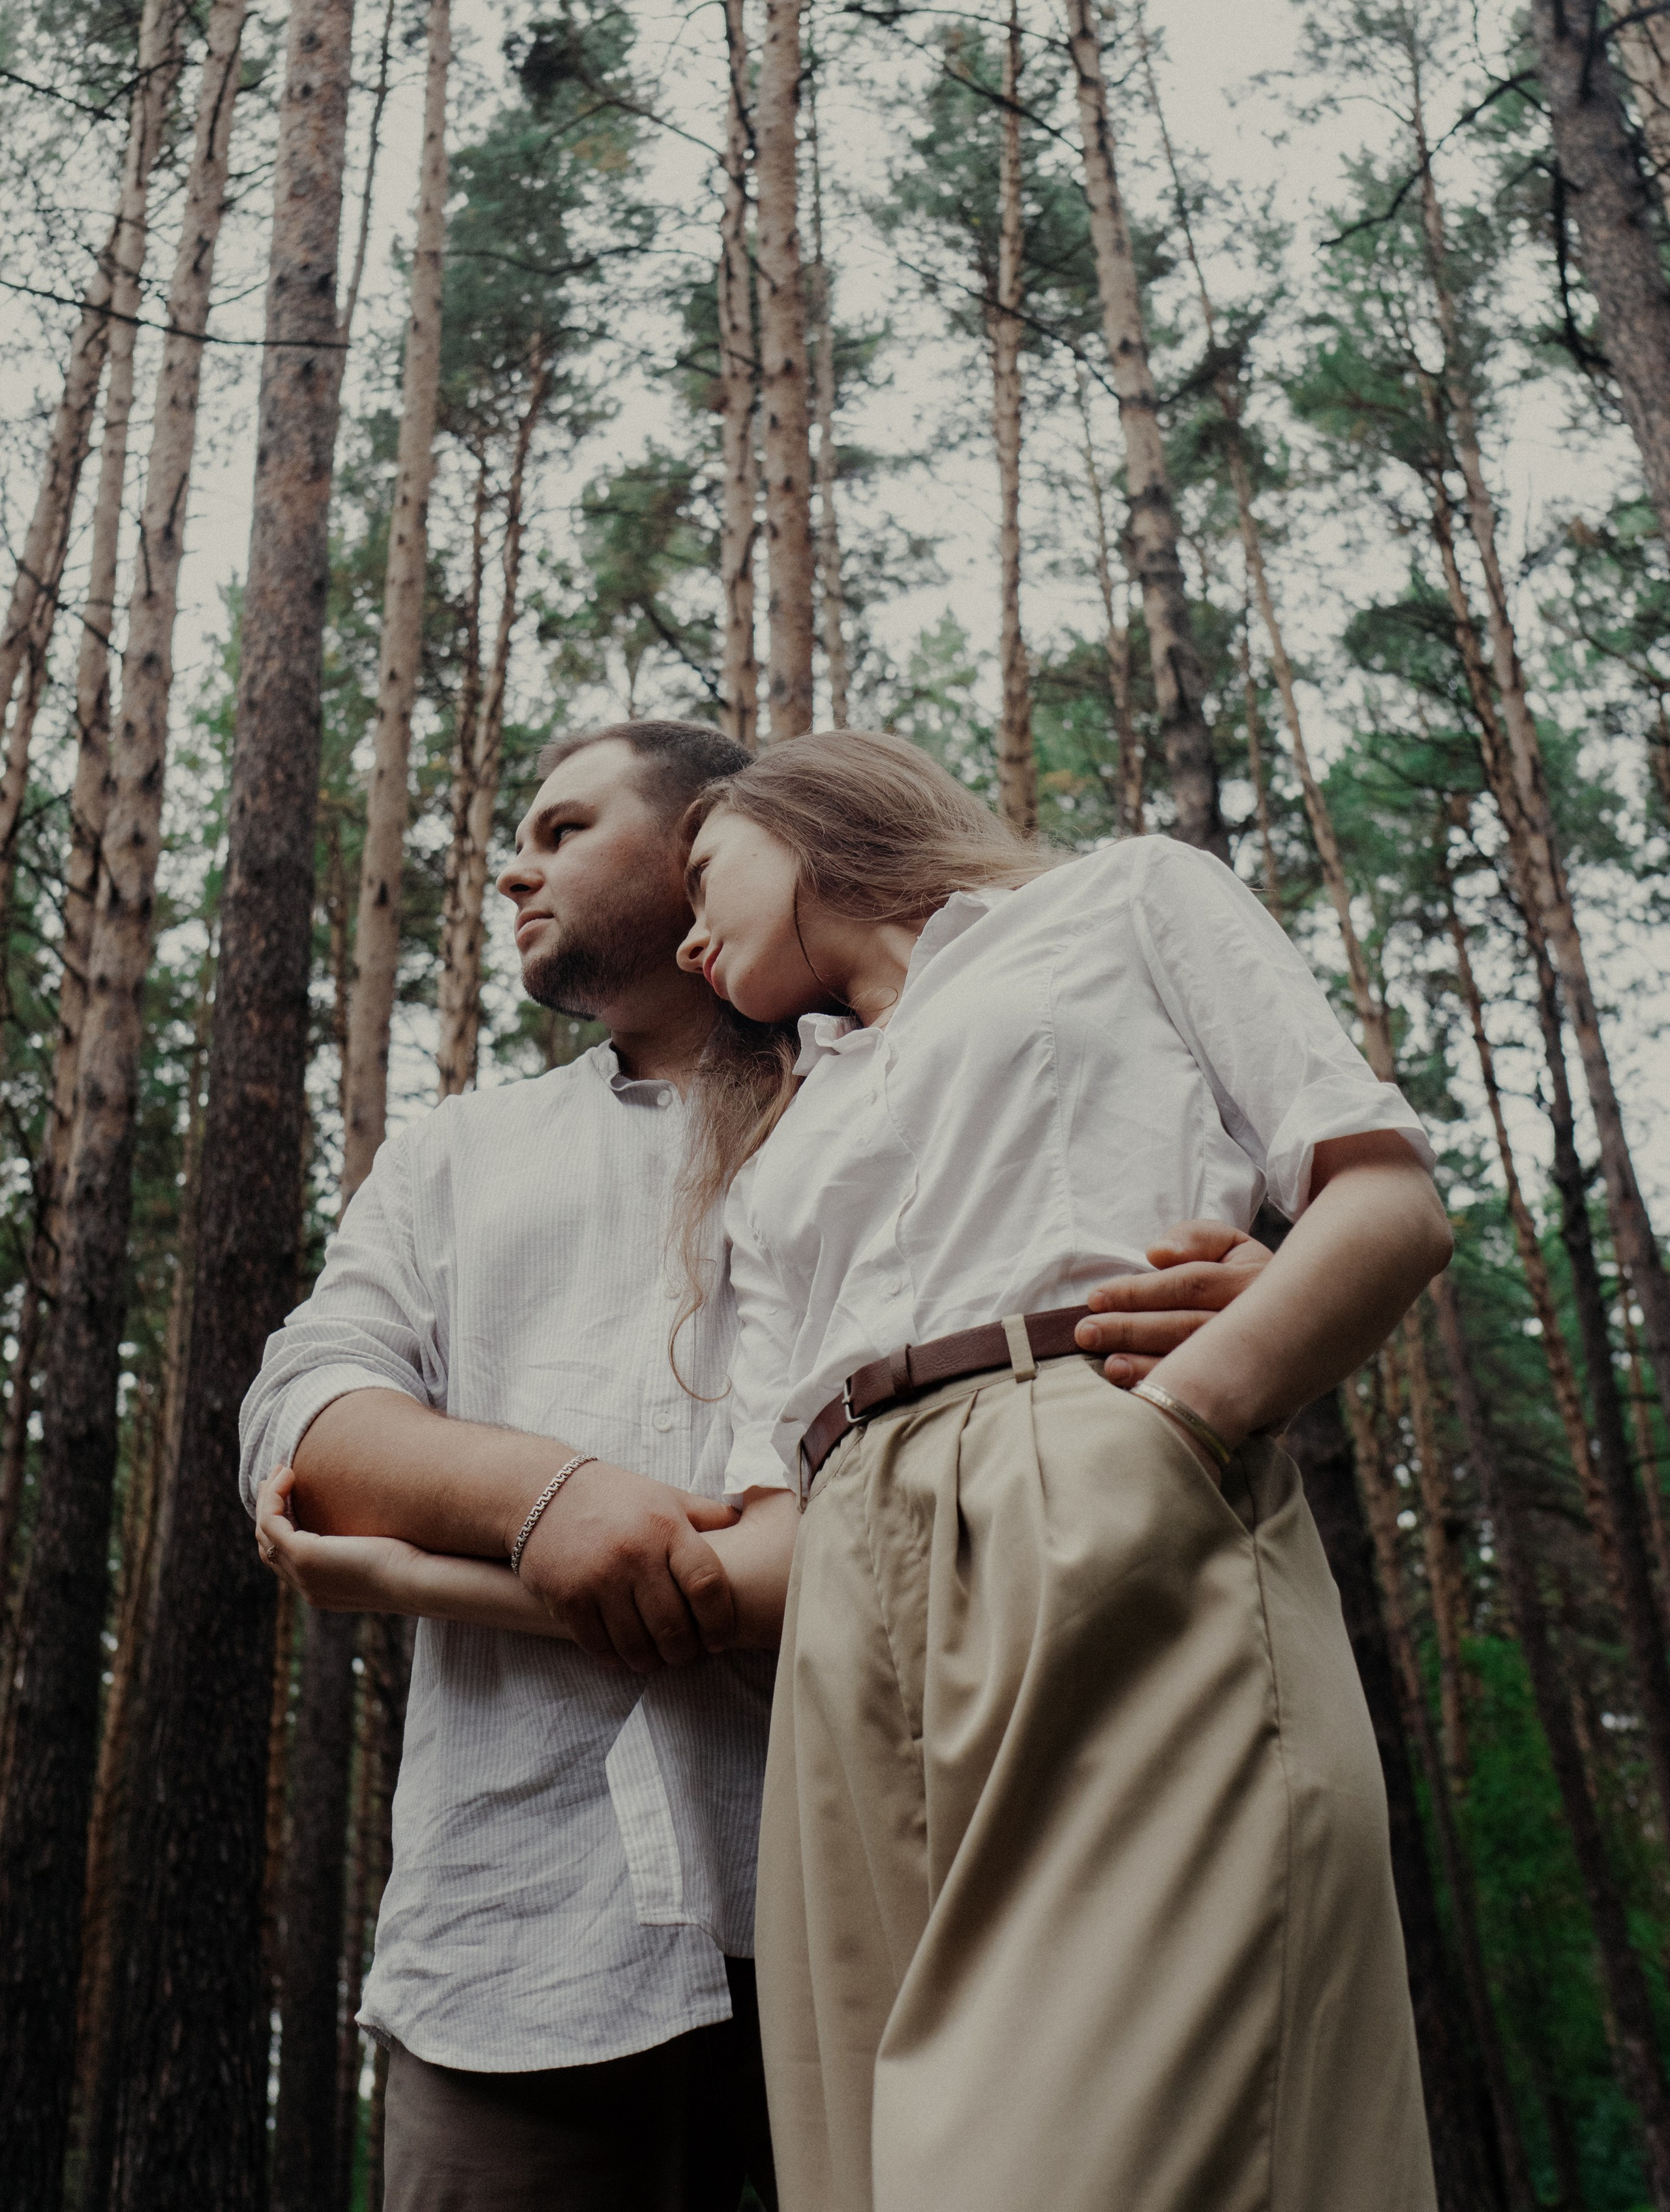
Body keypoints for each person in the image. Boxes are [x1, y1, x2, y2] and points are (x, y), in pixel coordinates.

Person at [243, 718, 1266, 2212]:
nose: (509, 869)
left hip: (914, 1907)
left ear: (702, 844)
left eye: (562, 827)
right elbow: (308, 1425)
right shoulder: (455, 1158)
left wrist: (1241, 1286)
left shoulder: (916, 1091)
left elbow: (1108, 1311)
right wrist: (543, 1501)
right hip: (516, 1940)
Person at [668, 730, 1455, 2212]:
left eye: (701, 878)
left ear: (808, 818)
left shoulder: (1121, 900)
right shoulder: (776, 1144)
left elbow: (1384, 1200)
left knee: (1129, 2145)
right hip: (840, 1596)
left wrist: (1181, 1421)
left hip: (1094, 1479)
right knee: (874, 2176)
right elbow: (756, 1532)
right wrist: (413, 1558)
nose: (687, 936)